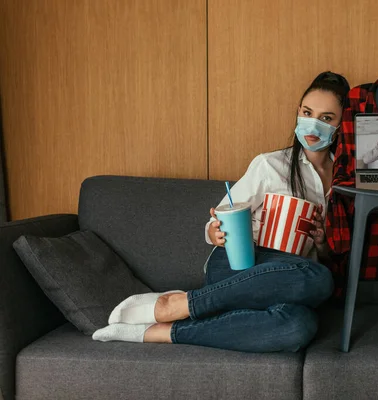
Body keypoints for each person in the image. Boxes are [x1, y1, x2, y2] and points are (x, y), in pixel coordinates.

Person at [92, 71, 350, 353]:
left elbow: (329, 255)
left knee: (298, 326)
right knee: (318, 278)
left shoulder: (343, 180)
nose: (313, 123)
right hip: (238, 264)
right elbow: (222, 217)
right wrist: (214, 231)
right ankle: (183, 304)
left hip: (285, 281)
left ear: (341, 125)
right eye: (307, 112)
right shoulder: (270, 165)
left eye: (326, 118)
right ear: (298, 113)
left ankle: (167, 331)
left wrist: (323, 242)